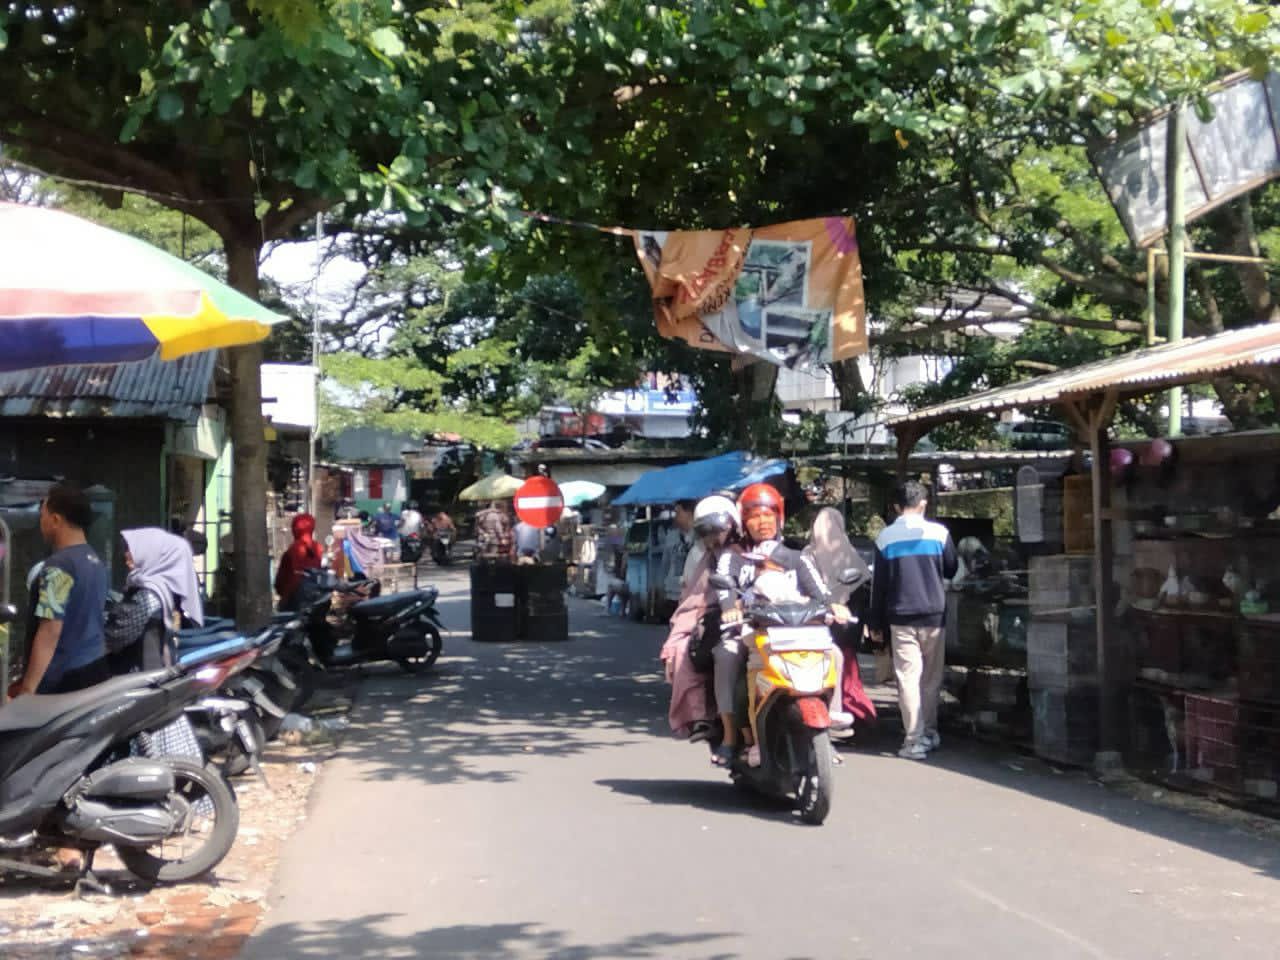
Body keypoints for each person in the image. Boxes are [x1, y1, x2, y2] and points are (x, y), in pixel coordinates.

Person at [711, 483, 850, 767]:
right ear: (743, 522)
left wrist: (834, 606)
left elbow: (821, 593)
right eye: (754, 517)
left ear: (779, 518)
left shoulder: (797, 558)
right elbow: (725, 591)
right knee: (727, 655)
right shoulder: (733, 556)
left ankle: (828, 729)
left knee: (834, 654)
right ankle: (730, 736)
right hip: (751, 632)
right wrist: (730, 610)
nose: (762, 522)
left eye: (768, 515)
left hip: (797, 633)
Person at [868, 480, 959, 761]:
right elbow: (952, 568)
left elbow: (879, 586)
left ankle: (914, 740)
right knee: (930, 679)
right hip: (934, 615)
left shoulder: (885, 538)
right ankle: (929, 732)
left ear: (896, 507)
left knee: (908, 678)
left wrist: (875, 623)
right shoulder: (940, 533)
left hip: (901, 617)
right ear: (923, 504)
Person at [8, 485, 108, 698]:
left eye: (42, 515)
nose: (40, 522)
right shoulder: (94, 560)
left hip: (64, 679)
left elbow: (50, 631)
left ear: (55, 520)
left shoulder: (59, 566)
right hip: (95, 668)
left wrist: (28, 689)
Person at [805, 507, 876, 731]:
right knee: (845, 667)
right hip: (846, 629)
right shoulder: (849, 554)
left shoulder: (809, 554)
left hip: (818, 627)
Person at [105, 528, 203, 674]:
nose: (126, 555)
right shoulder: (162, 588)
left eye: (134, 550)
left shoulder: (149, 595)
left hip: (137, 676)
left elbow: (115, 637)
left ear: (153, 554)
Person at [274, 513, 325, 611]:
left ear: (294, 529)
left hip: (294, 599)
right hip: (316, 597)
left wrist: (284, 598)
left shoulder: (293, 549)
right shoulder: (318, 548)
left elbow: (282, 579)